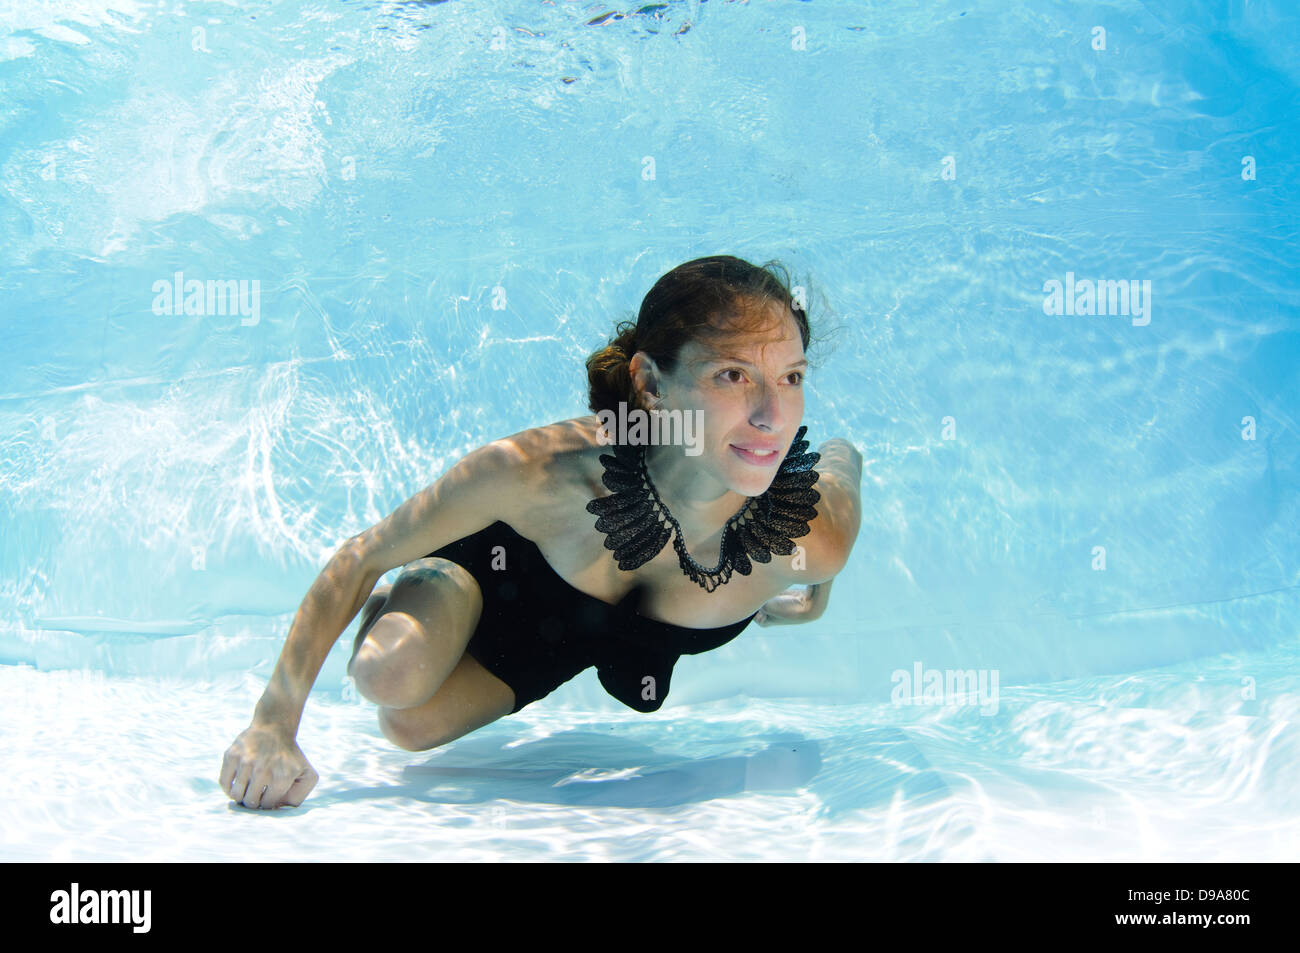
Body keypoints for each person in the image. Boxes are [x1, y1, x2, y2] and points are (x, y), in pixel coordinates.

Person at [219, 255, 863, 810]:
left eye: (792, 377)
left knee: (410, 730)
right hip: (499, 579)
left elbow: (833, 506)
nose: (771, 415)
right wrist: (272, 724)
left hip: (572, 642)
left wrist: (814, 591)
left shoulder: (810, 538)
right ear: (648, 382)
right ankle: (427, 586)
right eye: (732, 374)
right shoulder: (541, 473)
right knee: (388, 676)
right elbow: (361, 557)